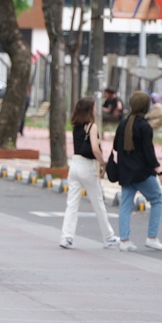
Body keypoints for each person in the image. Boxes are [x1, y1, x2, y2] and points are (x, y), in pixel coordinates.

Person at [60, 97, 120, 250]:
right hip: (87, 167)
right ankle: (108, 237)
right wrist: (103, 163)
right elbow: (94, 148)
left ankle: (66, 237)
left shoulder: (76, 126)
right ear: (89, 110)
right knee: (98, 203)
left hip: (74, 164)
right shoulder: (91, 126)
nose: (95, 110)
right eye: (93, 107)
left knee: (72, 203)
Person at [113, 91, 162, 252]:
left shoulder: (123, 124)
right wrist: (160, 172)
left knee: (125, 205)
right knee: (157, 200)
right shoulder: (145, 126)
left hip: (125, 172)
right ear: (145, 106)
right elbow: (149, 153)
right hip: (142, 174)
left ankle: (124, 240)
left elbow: (116, 146)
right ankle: (152, 238)